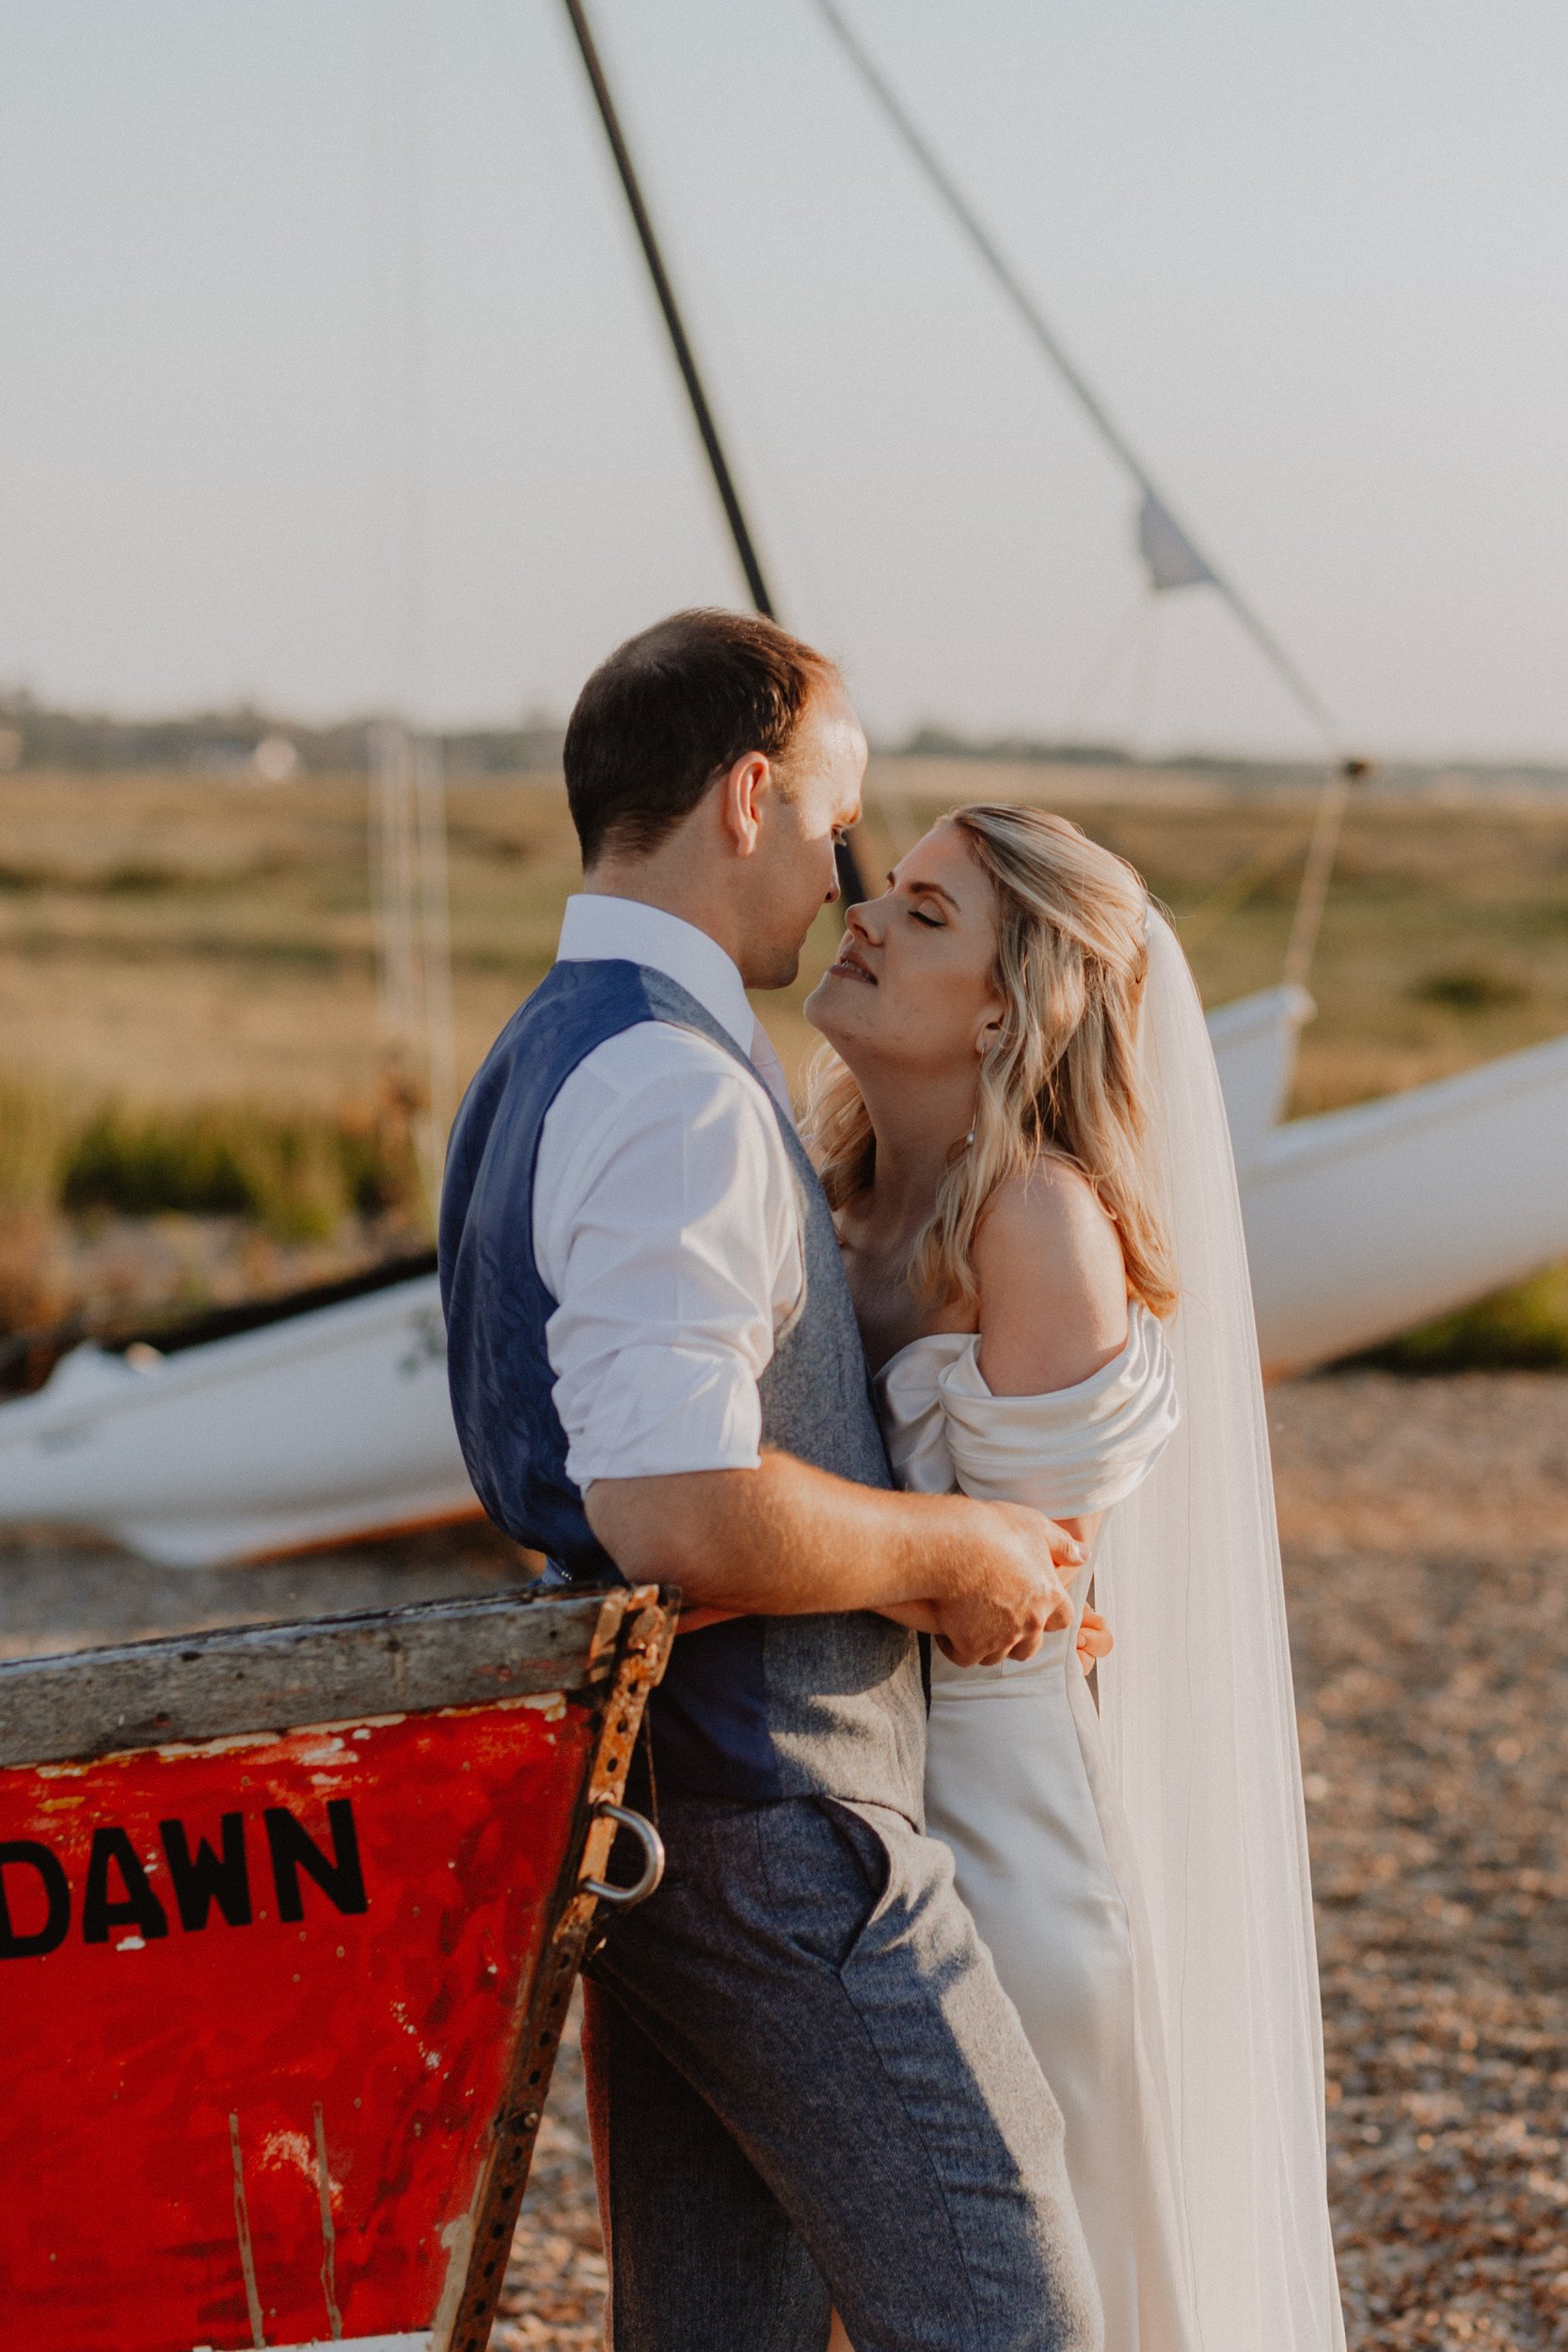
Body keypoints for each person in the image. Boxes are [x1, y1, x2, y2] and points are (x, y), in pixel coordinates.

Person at [438, 612, 1104, 2352]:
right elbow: (676, 1502)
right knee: (1011, 2313)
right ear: (748, 795)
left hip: (652, 1822)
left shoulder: (541, 1051)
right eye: (834, 815)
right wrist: (950, 1545)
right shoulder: (678, 1086)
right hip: (780, 1829)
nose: (842, 870)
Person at [804, 804, 1346, 2352]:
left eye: (924, 913)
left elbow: (1024, 1595)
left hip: (995, 1819)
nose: (864, 920)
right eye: (884, 892)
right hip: (845, 1795)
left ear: (1005, 1003)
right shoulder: (822, 1197)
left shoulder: (1036, 1220)